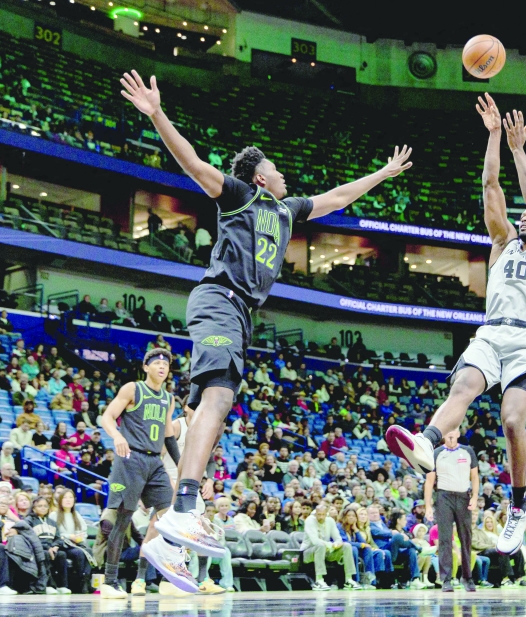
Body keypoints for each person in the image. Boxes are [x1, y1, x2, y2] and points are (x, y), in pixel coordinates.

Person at [118, 69, 413, 563]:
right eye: (276, 170)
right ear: (260, 177)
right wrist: (156, 114)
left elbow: (338, 197)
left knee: (197, 421)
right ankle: (183, 508)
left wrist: (381, 175)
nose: (283, 176)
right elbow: (192, 163)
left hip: (238, 314)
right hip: (219, 300)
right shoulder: (240, 196)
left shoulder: (289, 208)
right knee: (218, 397)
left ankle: (161, 542)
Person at [386, 95, 526, 556]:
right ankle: (424, 444)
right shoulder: (501, 243)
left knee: (511, 420)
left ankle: (519, 506)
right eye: (520, 216)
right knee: (462, 388)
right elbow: (491, 186)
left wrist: (519, 149)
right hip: (490, 330)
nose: (524, 217)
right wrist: (491, 138)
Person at [98, 348, 197, 598]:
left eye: (166, 364)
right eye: (157, 363)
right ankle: (110, 581)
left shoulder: (168, 398)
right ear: (146, 367)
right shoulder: (132, 388)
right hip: (131, 459)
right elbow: (107, 417)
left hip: (155, 463)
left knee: (172, 518)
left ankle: (167, 578)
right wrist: (118, 435)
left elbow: (168, 436)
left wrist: (182, 465)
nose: (162, 367)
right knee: (122, 520)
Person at [424, 429, 479, 592]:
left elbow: (475, 477)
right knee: (445, 539)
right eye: (447, 431)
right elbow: (429, 482)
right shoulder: (437, 453)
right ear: (443, 436)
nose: (450, 434)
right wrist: (428, 505)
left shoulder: (468, 451)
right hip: (444, 496)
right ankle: (446, 579)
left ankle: (467, 577)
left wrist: (475, 497)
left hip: (463, 496)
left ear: (458, 433)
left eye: (453, 431)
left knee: (466, 537)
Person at [303, 501, 360, 591]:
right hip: (308, 552)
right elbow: (315, 541)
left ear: (327, 514)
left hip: (326, 551)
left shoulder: (330, 521)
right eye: (319, 514)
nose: (321, 517)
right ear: (315, 514)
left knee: (347, 546)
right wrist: (331, 545)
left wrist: (337, 544)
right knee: (320, 545)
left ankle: (349, 579)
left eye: (323, 514)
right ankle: (319, 580)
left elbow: (338, 538)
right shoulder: (310, 520)